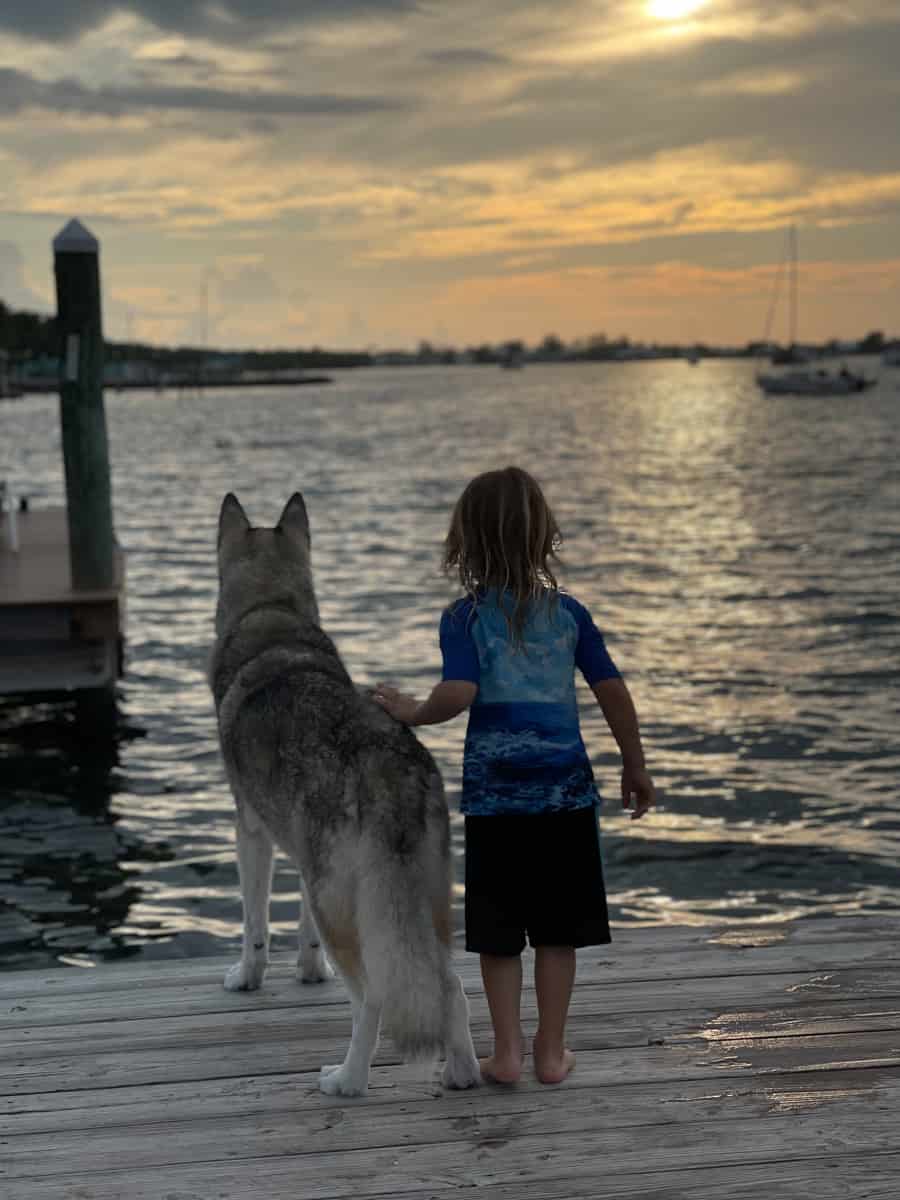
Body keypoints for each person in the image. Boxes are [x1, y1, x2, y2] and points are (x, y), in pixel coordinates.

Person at [374, 466, 655, 1085]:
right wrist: (634, 764)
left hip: (497, 804)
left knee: (499, 934)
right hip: (566, 800)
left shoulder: (465, 619)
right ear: (542, 535)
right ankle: (551, 1053)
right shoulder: (570, 615)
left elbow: (459, 690)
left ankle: (506, 1054)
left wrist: (414, 712)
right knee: (559, 931)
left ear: (466, 543)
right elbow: (612, 691)